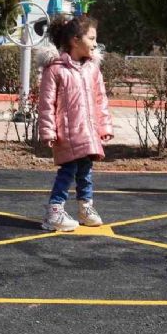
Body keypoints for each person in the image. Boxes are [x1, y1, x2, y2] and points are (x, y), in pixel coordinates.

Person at [37, 15, 113, 232]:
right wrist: (48, 131)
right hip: (67, 132)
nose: (95, 43)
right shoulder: (56, 69)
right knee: (68, 170)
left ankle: (85, 207)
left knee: (86, 170)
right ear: (75, 40)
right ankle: (54, 211)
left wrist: (104, 127)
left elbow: (101, 100)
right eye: (91, 38)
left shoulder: (92, 69)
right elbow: (46, 103)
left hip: (88, 131)